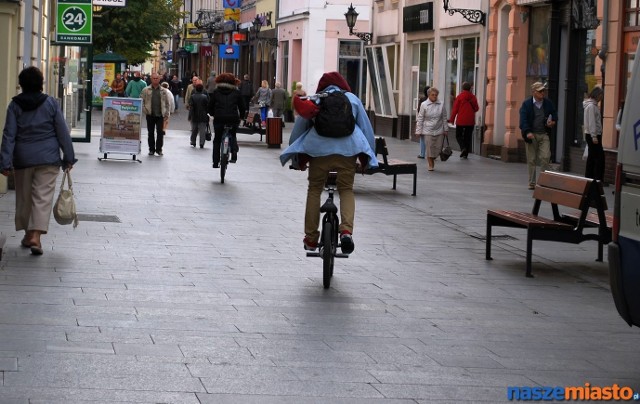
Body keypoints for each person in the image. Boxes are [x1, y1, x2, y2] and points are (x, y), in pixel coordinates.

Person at [279, 71, 378, 255]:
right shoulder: (352, 99)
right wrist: (370, 159)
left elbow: (300, 128)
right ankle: (346, 232)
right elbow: (366, 129)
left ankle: (311, 238)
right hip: (348, 151)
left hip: (319, 152)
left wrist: (295, 158)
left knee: (314, 189)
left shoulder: (317, 99)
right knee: (346, 189)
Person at [0, 66, 77, 255]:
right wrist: (68, 157)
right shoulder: (50, 103)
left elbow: (9, 135)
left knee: (25, 198)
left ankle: (29, 234)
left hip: (23, 158)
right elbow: (62, 131)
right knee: (42, 198)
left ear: (21, 84)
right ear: (41, 83)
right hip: (48, 158)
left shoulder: (15, 105)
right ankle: (35, 236)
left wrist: (4, 161)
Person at [519, 82, 557, 189]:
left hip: (544, 134)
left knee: (545, 157)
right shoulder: (526, 104)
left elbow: (554, 114)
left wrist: (553, 121)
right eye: (540, 91)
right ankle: (532, 182)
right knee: (532, 159)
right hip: (532, 134)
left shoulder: (548, 103)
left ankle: (543, 182)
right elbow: (523, 120)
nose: (542, 93)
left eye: (543, 91)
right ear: (534, 92)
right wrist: (527, 132)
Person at [208, 73, 242, 167]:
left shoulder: (216, 92)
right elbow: (242, 107)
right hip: (233, 118)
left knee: (217, 140)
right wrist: (242, 116)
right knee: (233, 135)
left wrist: (211, 114)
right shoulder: (236, 92)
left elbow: (210, 106)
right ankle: (234, 154)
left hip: (219, 118)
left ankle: (215, 162)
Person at [415, 87, 448, 171]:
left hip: (439, 129)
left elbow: (444, 117)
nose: (434, 96)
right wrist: (418, 131)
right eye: (432, 95)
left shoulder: (441, 104)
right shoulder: (424, 105)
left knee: (438, 148)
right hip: (427, 130)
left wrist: (446, 129)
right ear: (429, 95)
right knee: (429, 148)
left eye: (436, 95)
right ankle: (430, 164)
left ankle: (433, 158)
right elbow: (420, 118)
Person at [140, 73, 173, 156]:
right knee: (150, 133)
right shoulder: (146, 90)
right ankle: (151, 149)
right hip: (150, 114)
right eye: (154, 78)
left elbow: (167, 103)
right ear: (151, 79)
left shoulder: (163, 90)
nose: (155, 79)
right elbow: (141, 101)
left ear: (159, 79)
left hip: (160, 115)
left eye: (157, 78)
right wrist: (145, 110)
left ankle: (159, 149)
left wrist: (166, 114)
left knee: (160, 133)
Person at [449, 82, 479, 159]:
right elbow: (476, 108)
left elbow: (455, 109)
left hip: (461, 120)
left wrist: (452, 119)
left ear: (462, 88)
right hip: (470, 120)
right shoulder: (473, 97)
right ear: (470, 88)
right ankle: (465, 154)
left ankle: (463, 148)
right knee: (467, 136)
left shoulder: (459, 97)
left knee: (458, 135)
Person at [583, 86, 604, 181]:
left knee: (592, 156)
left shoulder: (592, 105)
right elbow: (591, 122)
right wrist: (594, 137)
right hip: (593, 135)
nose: (601, 98)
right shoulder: (591, 106)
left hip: (592, 134)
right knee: (599, 157)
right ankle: (595, 178)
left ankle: (590, 177)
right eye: (601, 95)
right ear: (597, 95)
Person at [188, 82, 209, 149]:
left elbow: (191, 107)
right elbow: (207, 106)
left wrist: (190, 116)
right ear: (202, 89)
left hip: (195, 115)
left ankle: (193, 141)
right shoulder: (205, 97)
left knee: (194, 129)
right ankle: (201, 143)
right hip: (203, 115)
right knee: (202, 130)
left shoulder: (193, 97)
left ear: (196, 89)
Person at [416, 86, 429, 159]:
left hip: (423, 122)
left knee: (422, 138)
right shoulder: (433, 101)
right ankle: (431, 154)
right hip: (431, 123)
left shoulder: (422, 100)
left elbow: (419, 111)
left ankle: (422, 154)